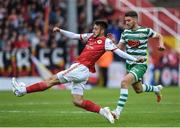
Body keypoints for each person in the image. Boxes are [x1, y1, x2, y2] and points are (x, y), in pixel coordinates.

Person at [11, 20, 143, 124]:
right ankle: (104, 112)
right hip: (82, 72)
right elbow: (74, 36)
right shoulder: (91, 36)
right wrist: (60, 30)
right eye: (93, 28)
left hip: (80, 67)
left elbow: (120, 53)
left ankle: (22, 91)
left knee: (51, 80)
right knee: (77, 101)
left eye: (96, 28)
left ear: (102, 30)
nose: (93, 30)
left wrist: (135, 59)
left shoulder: (106, 41)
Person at [110, 11, 166, 120]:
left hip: (141, 64)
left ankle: (117, 112)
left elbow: (159, 36)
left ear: (135, 20)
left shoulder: (145, 31)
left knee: (124, 82)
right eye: (125, 20)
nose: (126, 23)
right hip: (129, 65)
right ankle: (156, 89)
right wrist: (112, 43)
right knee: (138, 89)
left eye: (128, 20)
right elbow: (118, 48)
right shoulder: (125, 33)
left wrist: (161, 44)